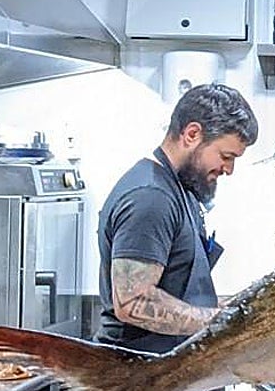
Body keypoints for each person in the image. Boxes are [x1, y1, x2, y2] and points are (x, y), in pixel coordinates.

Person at [96, 84, 258, 366]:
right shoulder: (150, 197)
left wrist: (239, 308)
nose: (229, 169)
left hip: (168, 373)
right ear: (192, 134)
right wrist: (224, 323)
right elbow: (132, 303)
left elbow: (179, 289)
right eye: (226, 156)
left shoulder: (179, 189)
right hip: (137, 380)